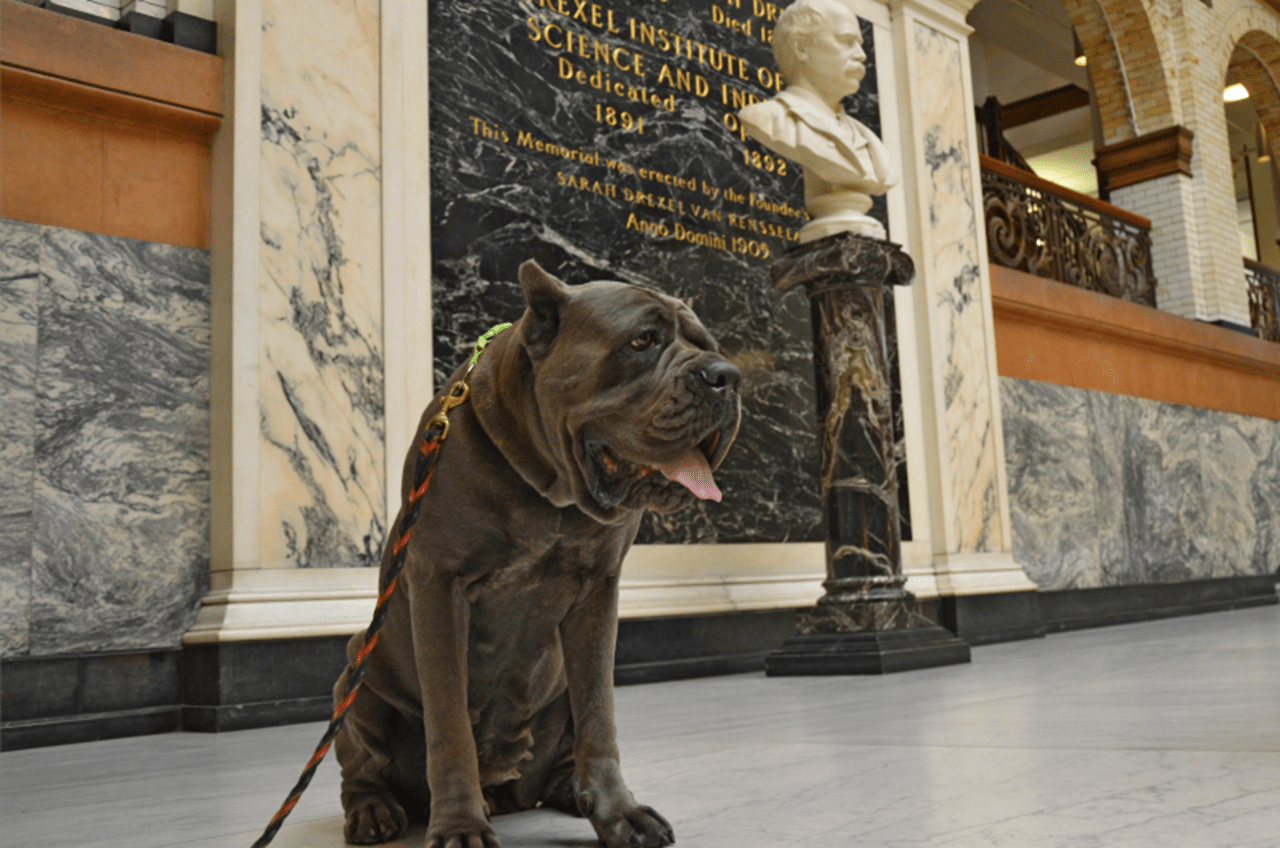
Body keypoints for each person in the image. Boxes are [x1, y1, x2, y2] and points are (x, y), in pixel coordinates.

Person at [738, 0, 896, 241]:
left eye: (861, 45)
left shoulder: (870, 141)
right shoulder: (769, 118)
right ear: (801, 47)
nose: (862, 55)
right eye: (846, 41)